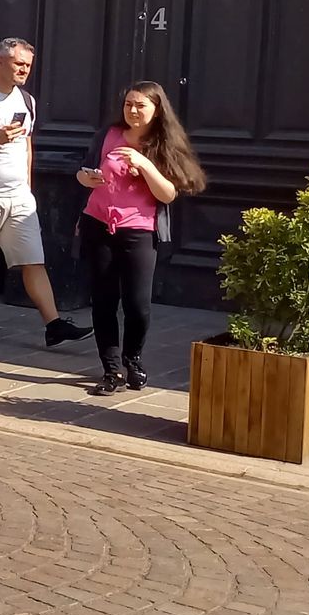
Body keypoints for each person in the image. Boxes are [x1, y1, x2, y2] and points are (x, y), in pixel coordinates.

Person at [0, 37, 93, 348]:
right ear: (0, 61)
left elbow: (26, 144)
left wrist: (27, 187)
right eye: (18, 63)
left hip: (18, 197)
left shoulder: (27, 101)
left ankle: (53, 325)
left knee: (33, 260)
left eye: (28, 65)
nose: (24, 70)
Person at [76, 82, 206, 395]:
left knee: (137, 305)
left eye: (140, 106)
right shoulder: (108, 134)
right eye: (128, 105)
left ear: (156, 109)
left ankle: (132, 357)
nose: (133, 111)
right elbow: (82, 171)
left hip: (139, 230)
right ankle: (111, 370)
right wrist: (86, 177)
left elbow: (169, 193)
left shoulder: (163, 144)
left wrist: (145, 164)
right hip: (99, 225)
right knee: (104, 302)